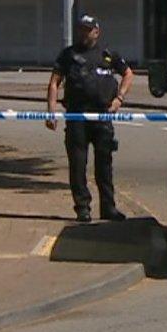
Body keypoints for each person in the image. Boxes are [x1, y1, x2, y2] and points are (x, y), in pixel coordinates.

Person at [46, 14, 135, 222]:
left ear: (97, 31)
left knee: (104, 164)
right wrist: (51, 110)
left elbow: (128, 74)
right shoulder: (68, 55)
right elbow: (54, 83)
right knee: (78, 164)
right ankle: (82, 207)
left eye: (88, 30)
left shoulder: (108, 53)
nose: (83, 34)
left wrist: (119, 98)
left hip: (102, 115)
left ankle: (108, 207)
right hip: (77, 116)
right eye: (81, 30)